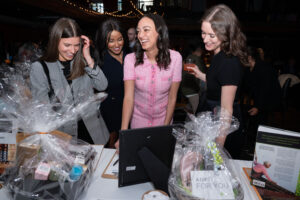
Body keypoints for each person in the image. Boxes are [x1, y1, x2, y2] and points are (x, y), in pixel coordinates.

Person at [30, 17, 109, 144]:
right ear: (55, 42)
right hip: (64, 137)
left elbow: (102, 85)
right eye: (67, 45)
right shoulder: (40, 68)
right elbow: (42, 111)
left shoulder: (82, 61)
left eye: (77, 45)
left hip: (94, 132)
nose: (72, 50)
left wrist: (88, 57)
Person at [187, 4, 249, 159]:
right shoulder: (219, 53)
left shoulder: (229, 62)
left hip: (221, 128)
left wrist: (217, 150)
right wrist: (201, 74)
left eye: (212, 35)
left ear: (226, 34)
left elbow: (226, 110)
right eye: (203, 33)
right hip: (212, 119)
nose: (205, 39)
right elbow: (218, 82)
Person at [115, 13, 182, 149]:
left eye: (146, 30)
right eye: (138, 31)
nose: (140, 35)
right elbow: (128, 98)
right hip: (138, 122)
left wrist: (164, 129)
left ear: (159, 32)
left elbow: (172, 98)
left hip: (163, 121)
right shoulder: (130, 59)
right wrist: (123, 134)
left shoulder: (175, 58)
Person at [94, 19, 128, 148]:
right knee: (111, 147)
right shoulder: (101, 61)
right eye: (111, 41)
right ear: (104, 41)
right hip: (110, 110)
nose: (116, 44)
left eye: (119, 39)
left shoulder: (132, 56)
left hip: (132, 108)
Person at [243, 46, 282, 125]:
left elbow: (264, 89)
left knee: (257, 119)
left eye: (242, 57)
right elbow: (246, 85)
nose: (240, 60)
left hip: (270, 98)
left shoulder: (263, 68)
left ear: (249, 57)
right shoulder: (248, 68)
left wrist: (257, 107)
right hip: (259, 97)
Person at [181, 40, 206, 113]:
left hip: (187, 89)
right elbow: (200, 76)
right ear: (201, 50)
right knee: (197, 113)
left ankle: (187, 112)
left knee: (191, 110)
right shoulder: (195, 59)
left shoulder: (189, 58)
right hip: (192, 91)